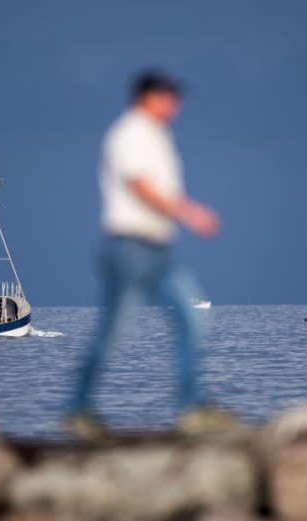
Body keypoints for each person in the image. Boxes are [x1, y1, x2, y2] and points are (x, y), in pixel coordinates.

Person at [65, 69, 234, 439]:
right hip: (130, 248)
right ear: (148, 97)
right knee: (114, 334)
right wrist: (190, 212)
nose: (176, 104)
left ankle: (191, 408)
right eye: (169, 96)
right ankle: (77, 409)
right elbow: (140, 186)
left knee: (193, 320)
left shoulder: (159, 136)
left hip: (159, 249)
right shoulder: (129, 134)